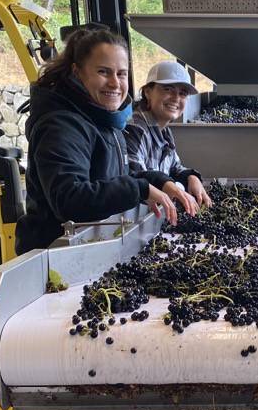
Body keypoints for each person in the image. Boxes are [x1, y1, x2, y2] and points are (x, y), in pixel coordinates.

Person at [15, 29, 197, 254]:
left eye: (121, 74)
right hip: (53, 256)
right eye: (103, 72)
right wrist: (139, 189)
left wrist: (159, 181)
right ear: (77, 72)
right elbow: (70, 199)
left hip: (88, 248)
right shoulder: (61, 125)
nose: (114, 83)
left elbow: (114, 178)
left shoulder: (104, 119)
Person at [125, 61, 212, 207]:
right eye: (168, 89)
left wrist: (191, 176)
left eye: (182, 93)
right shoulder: (135, 129)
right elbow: (135, 179)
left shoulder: (164, 131)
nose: (176, 98)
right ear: (147, 92)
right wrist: (167, 184)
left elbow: (174, 167)